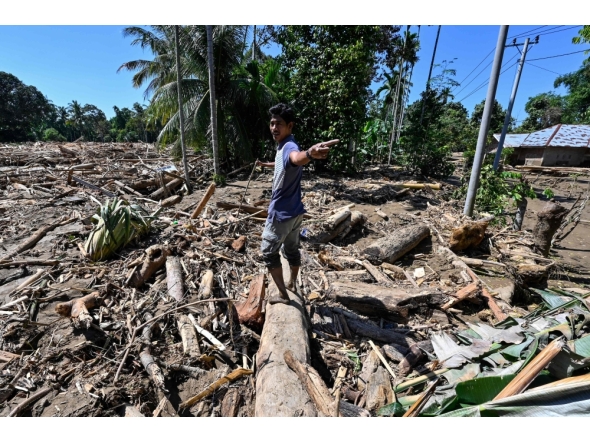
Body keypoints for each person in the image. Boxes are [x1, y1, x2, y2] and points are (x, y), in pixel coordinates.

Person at [257, 103, 337, 304]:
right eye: (272, 123)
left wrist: (309, 154)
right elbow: (285, 163)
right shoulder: (285, 144)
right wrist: (266, 165)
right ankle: (292, 283)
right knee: (291, 250)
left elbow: (296, 158)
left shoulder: (290, 147)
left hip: (281, 215)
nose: (274, 128)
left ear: (290, 125)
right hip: (295, 213)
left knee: (269, 252)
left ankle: (283, 295)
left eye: (279, 124)